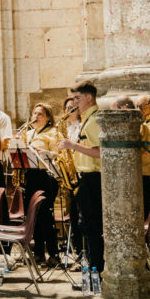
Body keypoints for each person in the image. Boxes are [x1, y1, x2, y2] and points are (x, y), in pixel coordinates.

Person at [57, 80, 103, 276]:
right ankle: (92, 267)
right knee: (86, 225)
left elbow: (101, 152)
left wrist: (73, 146)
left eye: (77, 98)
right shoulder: (87, 118)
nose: (74, 103)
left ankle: (95, 270)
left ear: (89, 98)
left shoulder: (94, 120)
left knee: (91, 227)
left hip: (93, 178)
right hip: (85, 177)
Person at [22, 104, 60, 265]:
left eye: (40, 114)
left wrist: (43, 153)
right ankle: (38, 253)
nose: (35, 117)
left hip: (45, 176)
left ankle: (53, 253)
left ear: (48, 117)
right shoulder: (28, 133)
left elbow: (58, 153)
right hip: (30, 175)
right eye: (34, 113)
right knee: (33, 216)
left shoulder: (53, 133)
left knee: (46, 216)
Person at [113, 96, 150, 219]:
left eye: (114, 112)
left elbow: (135, 155)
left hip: (143, 179)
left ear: (123, 109)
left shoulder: (139, 127)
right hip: (133, 180)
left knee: (140, 219)